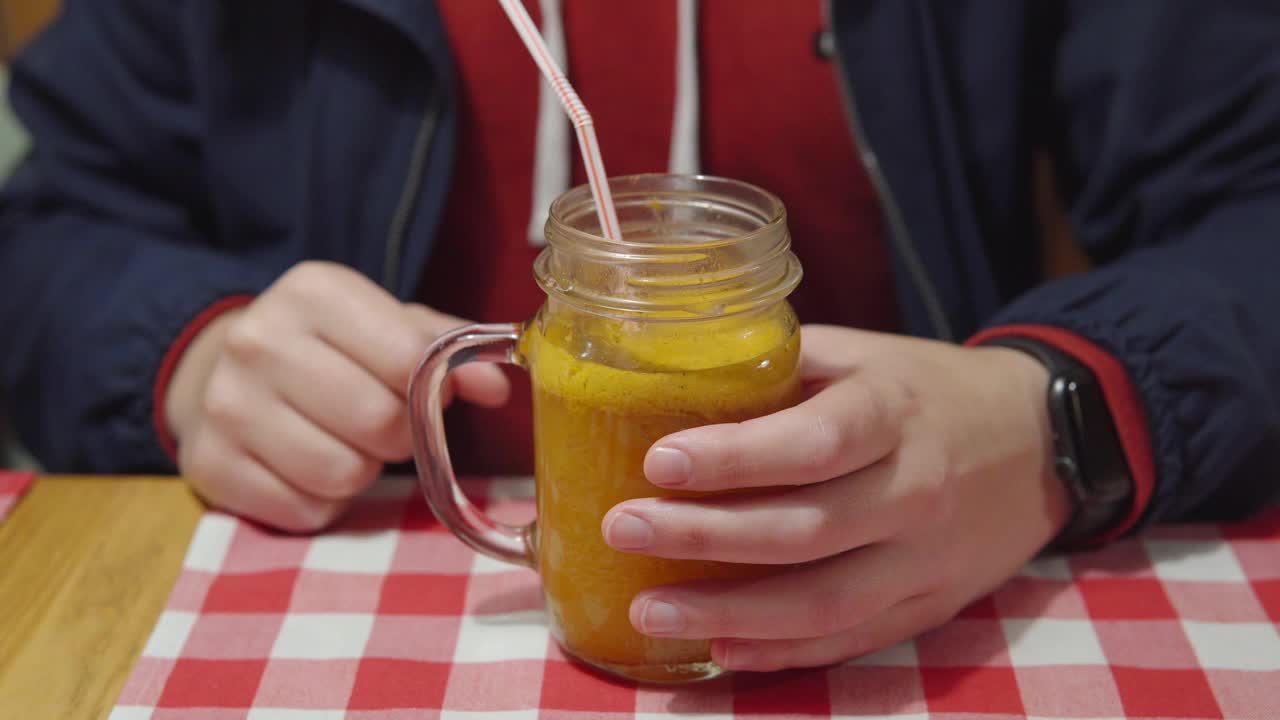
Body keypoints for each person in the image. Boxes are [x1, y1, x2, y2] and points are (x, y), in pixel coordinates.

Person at [2, 0, 1278, 672]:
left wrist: (1057, 410)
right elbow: (50, 225)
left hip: (911, 620)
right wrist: (188, 352)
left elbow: (1254, 195)